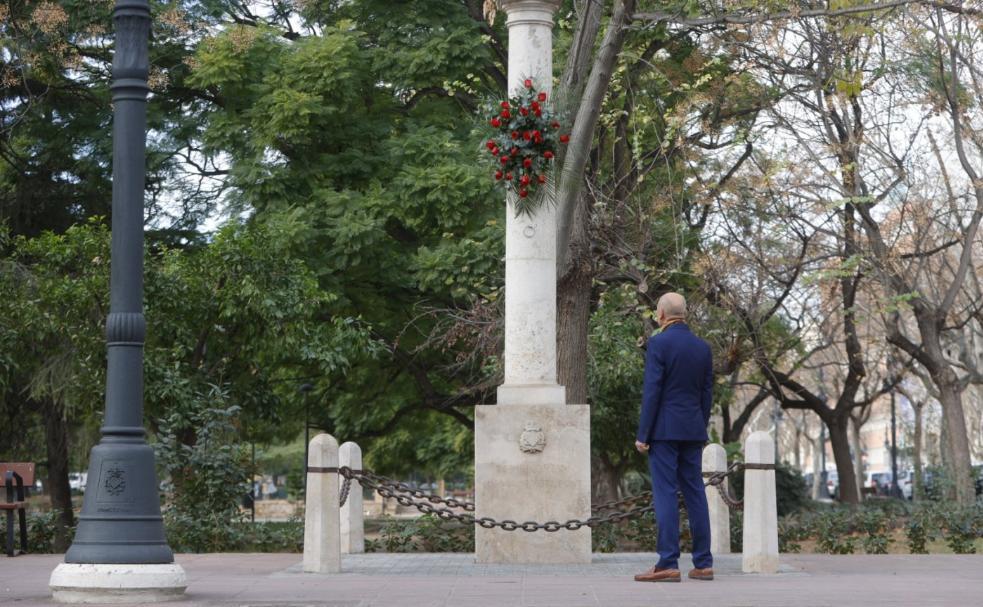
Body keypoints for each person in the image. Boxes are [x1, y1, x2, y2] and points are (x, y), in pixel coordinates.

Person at [633, 292, 714, 583]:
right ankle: (703, 563)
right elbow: (706, 394)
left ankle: (667, 562)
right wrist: (699, 426)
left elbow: (652, 391)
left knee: (666, 492)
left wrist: (643, 434)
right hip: (693, 429)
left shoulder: (658, 343)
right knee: (695, 493)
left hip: (664, 431)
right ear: (685, 314)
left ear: (662, 315)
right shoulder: (702, 348)